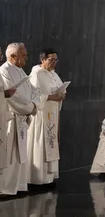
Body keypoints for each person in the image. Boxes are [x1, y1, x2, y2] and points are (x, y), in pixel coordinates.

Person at [0, 43, 38, 196]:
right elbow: (13, 96)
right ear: (13, 56)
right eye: (23, 55)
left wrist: (33, 104)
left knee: (19, 155)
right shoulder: (4, 70)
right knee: (9, 155)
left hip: (22, 118)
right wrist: (30, 107)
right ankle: (5, 188)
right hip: (11, 118)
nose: (26, 58)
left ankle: (18, 186)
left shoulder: (21, 71)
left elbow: (34, 91)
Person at [27, 48, 67, 185]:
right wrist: (51, 97)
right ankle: (37, 178)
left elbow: (59, 88)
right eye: (51, 60)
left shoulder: (53, 74)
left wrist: (61, 95)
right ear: (42, 59)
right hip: (41, 114)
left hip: (52, 114)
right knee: (41, 143)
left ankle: (49, 177)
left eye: (56, 60)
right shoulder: (37, 73)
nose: (54, 63)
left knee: (51, 142)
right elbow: (32, 95)